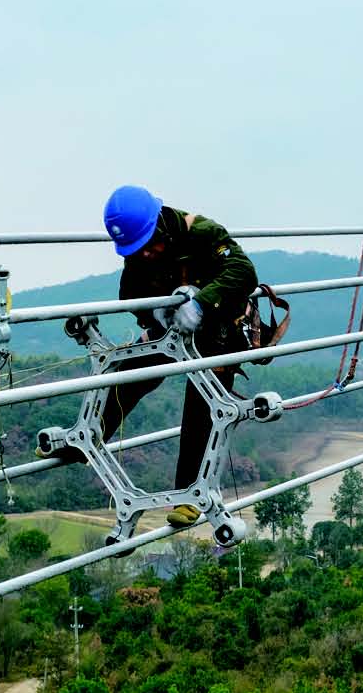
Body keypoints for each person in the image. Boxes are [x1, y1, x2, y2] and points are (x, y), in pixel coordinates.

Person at [90, 185, 258, 527]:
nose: (146, 255)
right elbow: (130, 294)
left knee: (202, 399)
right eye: (138, 251)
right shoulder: (138, 249)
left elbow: (242, 272)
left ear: (160, 226)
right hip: (172, 327)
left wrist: (201, 302)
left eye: (149, 246)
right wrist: (156, 316)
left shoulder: (201, 233)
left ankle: (190, 494)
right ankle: (90, 435)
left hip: (216, 329)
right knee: (133, 371)